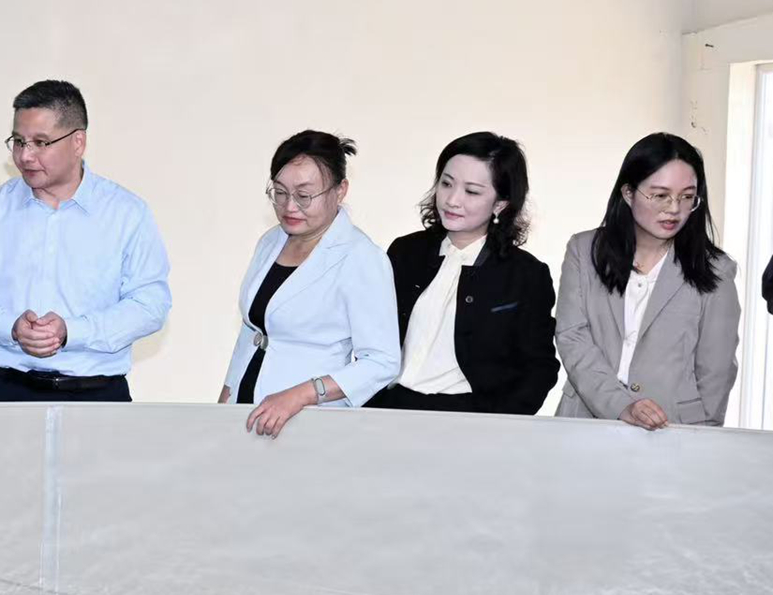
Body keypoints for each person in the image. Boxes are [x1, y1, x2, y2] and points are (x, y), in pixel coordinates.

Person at [0, 80, 170, 402]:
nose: (25, 156)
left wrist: (72, 331)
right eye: (18, 141)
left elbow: (150, 305)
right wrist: (11, 327)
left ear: (78, 142)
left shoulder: (126, 213)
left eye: (41, 142)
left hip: (98, 395)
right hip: (7, 391)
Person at [555, 133, 740, 428]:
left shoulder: (716, 269)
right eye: (660, 195)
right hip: (585, 421)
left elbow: (716, 371)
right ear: (628, 193)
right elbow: (572, 338)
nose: (674, 208)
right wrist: (622, 406)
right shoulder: (584, 250)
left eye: (687, 196)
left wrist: (702, 437)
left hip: (673, 430)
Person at [221, 130, 399, 438]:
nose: (289, 207)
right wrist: (228, 392)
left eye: (304, 196)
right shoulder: (270, 241)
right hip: (249, 407)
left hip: (310, 419)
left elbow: (382, 362)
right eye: (280, 192)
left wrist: (302, 394)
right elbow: (254, 328)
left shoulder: (361, 258)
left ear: (340, 190)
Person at [367, 132, 559, 415]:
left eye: (472, 191)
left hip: (469, 418)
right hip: (388, 410)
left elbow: (539, 367)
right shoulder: (405, 252)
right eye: (446, 184)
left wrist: (499, 422)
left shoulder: (526, 275)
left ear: (500, 204)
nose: (452, 200)